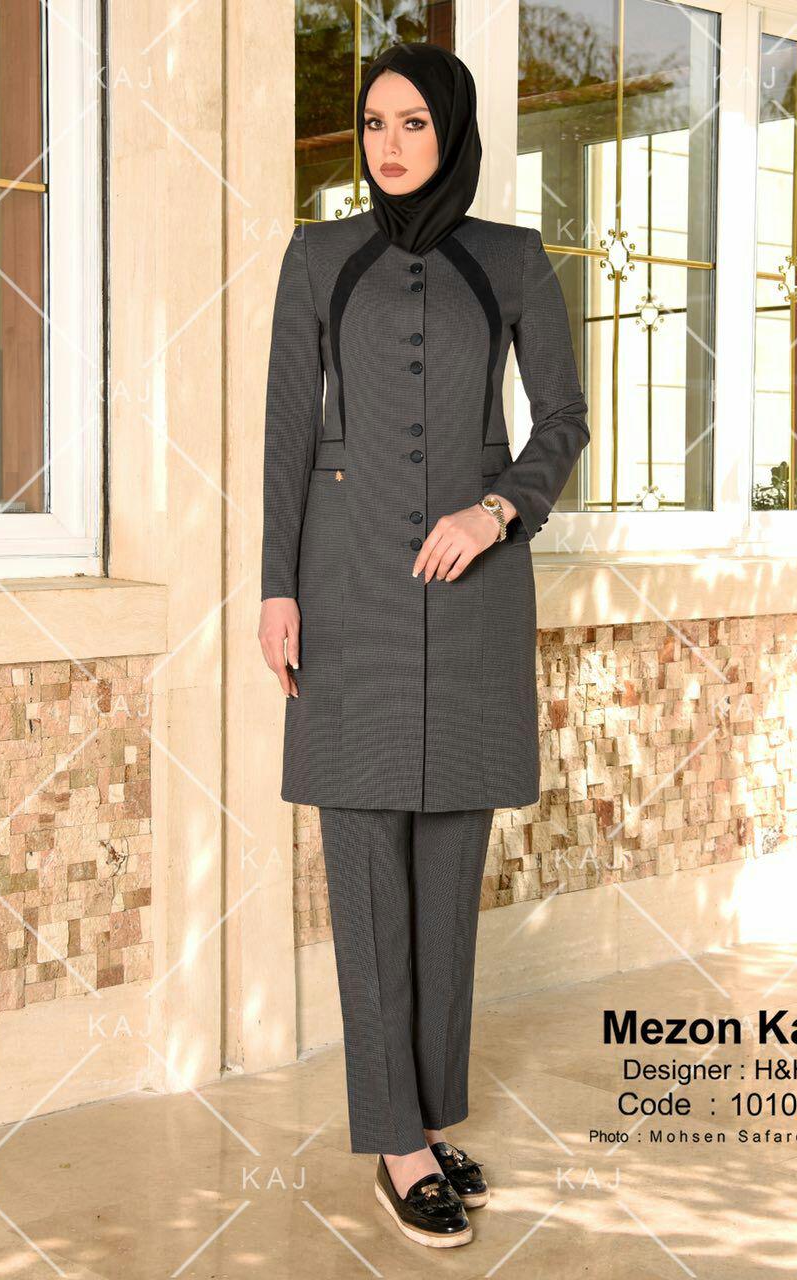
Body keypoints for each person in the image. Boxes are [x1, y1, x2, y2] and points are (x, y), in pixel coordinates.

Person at [258, 41, 589, 1248]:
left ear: (450, 132)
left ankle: (426, 1114)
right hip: (344, 592)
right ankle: (395, 1143)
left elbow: (562, 417)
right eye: (371, 123)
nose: (388, 144)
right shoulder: (317, 256)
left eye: (411, 122)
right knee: (362, 860)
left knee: (449, 870)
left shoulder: (509, 258)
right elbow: (288, 429)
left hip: (471, 593)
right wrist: (274, 586)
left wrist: (496, 509)